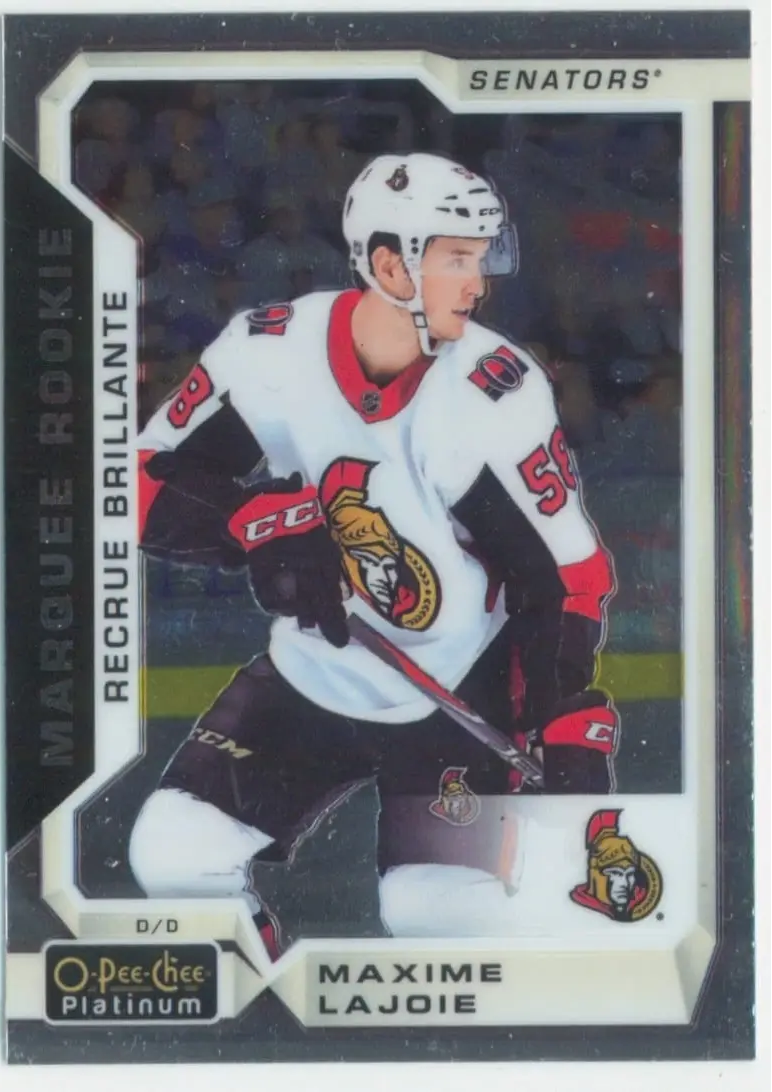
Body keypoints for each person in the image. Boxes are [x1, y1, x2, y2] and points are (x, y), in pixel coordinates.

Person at [129, 153, 618, 953]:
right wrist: (253, 521)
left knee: (438, 917)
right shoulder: (269, 352)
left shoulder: (491, 393)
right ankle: (266, 1016)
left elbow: (568, 576)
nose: (478, 283)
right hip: (316, 670)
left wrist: (556, 708)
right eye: (456, 258)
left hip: (457, 686)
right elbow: (139, 482)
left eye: (479, 258)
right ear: (390, 266)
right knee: (174, 857)